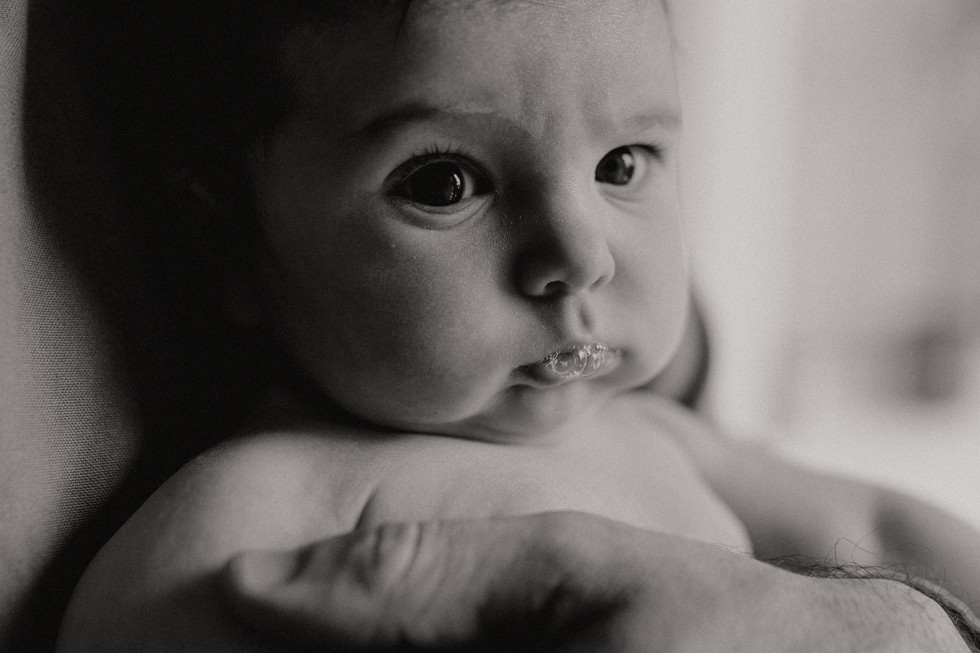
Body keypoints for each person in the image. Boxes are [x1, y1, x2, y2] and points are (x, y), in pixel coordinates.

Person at [56, 0, 980, 650]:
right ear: (232, 242)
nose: (580, 254)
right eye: (446, 183)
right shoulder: (260, 512)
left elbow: (877, 528)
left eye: (623, 163)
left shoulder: (661, 438)